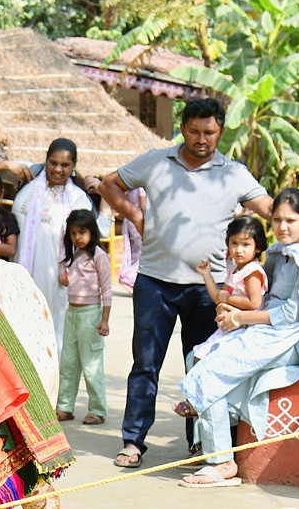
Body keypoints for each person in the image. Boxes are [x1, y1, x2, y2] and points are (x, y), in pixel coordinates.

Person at [97, 98, 273, 469]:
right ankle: (133, 442)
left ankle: (198, 442)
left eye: (209, 132)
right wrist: (136, 215)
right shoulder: (156, 161)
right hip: (155, 282)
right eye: (194, 131)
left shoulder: (234, 173)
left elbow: (271, 211)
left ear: (221, 131)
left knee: (201, 365)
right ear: (183, 128)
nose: (201, 139)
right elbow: (110, 185)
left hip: (210, 290)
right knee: (145, 364)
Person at [172, 188, 299, 487]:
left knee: (211, 371)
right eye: (276, 220)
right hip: (265, 330)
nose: (282, 227)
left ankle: (222, 462)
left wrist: (240, 318)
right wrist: (233, 313)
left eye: (291, 220)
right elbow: (262, 294)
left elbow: (292, 315)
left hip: (292, 341)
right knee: (201, 356)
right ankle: (217, 453)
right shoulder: (281, 250)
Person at [8, 139, 94, 351]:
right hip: (25, 271)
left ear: (74, 166)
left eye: (65, 165)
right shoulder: (28, 187)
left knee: (56, 324)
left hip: (60, 276)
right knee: (22, 321)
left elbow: (87, 242)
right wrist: (8, 165)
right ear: (45, 161)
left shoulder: (79, 199)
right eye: (53, 162)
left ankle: (53, 377)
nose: (58, 169)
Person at [184, 215, 269, 365]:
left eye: (245, 244)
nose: (239, 250)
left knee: (210, 360)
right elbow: (219, 297)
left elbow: (254, 303)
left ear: (258, 247)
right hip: (230, 325)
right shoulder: (234, 270)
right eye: (234, 243)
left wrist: (227, 299)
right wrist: (207, 275)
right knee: (198, 357)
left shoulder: (252, 271)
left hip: (245, 326)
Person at [56, 208, 111, 425]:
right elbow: (80, 281)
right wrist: (66, 282)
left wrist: (104, 319)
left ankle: (97, 409)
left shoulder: (99, 256)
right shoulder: (75, 255)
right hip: (72, 313)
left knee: (91, 364)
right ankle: (65, 407)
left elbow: (106, 289)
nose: (77, 238)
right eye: (73, 233)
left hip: (91, 314)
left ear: (92, 232)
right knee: (68, 362)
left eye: (82, 232)